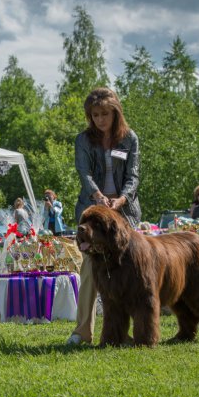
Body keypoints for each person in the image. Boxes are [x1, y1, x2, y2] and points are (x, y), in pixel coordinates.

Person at [68, 87, 141, 345]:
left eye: (104, 114)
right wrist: (99, 197)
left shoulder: (130, 139)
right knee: (89, 268)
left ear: (115, 112)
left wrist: (121, 200)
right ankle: (82, 331)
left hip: (124, 213)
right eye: (95, 114)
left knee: (130, 271)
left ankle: (124, 332)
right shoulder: (83, 140)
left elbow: (133, 176)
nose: (100, 119)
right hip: (93, 212)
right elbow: (84, 173)